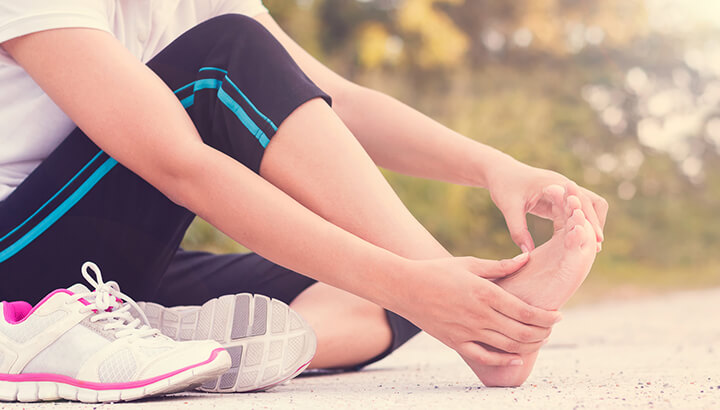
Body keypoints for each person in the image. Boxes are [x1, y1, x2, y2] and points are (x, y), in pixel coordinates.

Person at [0, 0, 607, 400]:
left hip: (87, 265)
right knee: (226, 56)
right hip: (13, 264)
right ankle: (480, 323)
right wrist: (417, 281)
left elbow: (329, 100)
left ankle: (166, 342)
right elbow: (177, 163)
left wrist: (494, 166)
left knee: (372, 286)